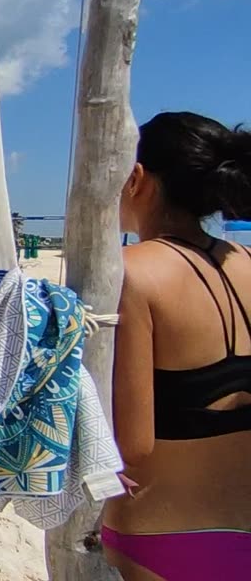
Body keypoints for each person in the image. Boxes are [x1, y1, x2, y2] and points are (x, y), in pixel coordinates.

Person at [103, 111, 251, 580]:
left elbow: (134, 445)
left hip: (162, 532)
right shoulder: (247, 261)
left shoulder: (131, 271)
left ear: (137, 177)